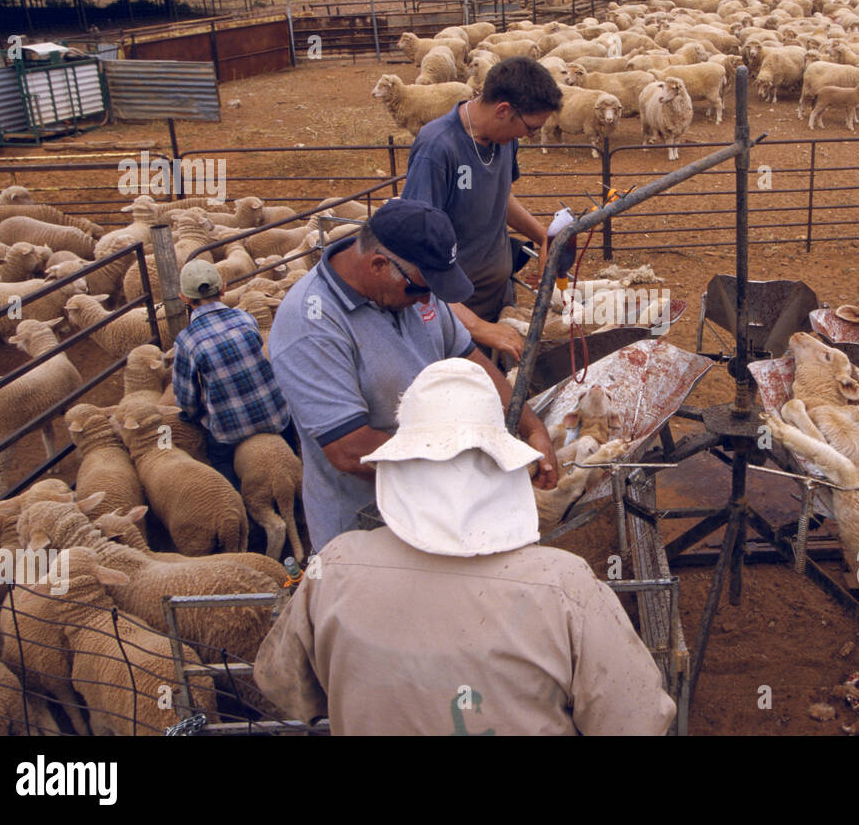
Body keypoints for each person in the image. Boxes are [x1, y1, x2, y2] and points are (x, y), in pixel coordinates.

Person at [253, 358, 677, 736]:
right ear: (501, 463)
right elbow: (637, 719)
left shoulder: (335, 566)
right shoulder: (564, 585)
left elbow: (284, 686)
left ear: (401, 462)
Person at [266, 200, 557, 552]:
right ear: (378, 265)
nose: (428, 299)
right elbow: (349, 449)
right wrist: (470, 479)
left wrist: (531, 426)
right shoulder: (311, 325)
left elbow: (470, 360)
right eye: (421, 288)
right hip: (368, 526)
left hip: (445, 507)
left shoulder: (411, 289)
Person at [399, 56, 563, 360]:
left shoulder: (503, 140)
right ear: (503, 110)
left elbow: (499, 196)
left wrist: (544, 236)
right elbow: (412, 251)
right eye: (529, 128)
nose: (528, 137)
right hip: (454, 312)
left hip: (497, 297)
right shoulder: (438, 148)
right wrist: (474, 325)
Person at [171, 259, 294, 487]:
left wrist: (192, 416)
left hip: (229, 429)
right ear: (224, 288)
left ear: (184, 298)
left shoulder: (187, 341)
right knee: (290, 438)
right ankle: (297, 476)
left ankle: (236, 497)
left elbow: (186, 398)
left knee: (218, 457)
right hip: (274, 414)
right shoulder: (246, 319)